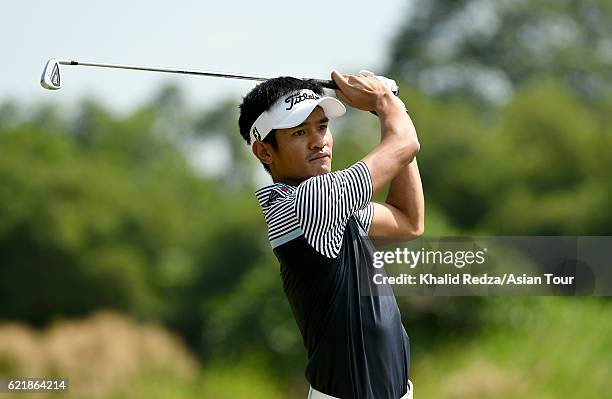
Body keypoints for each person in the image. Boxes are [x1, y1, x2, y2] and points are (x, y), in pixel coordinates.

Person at [237, 70, 424, 399]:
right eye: (299, 132)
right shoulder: (309, 203)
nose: (318, 140)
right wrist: (385, 102)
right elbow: (405, 143)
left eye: (322, 127)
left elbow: (408, 221)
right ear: (264, 152)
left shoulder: (334, 209)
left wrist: (394, 107)